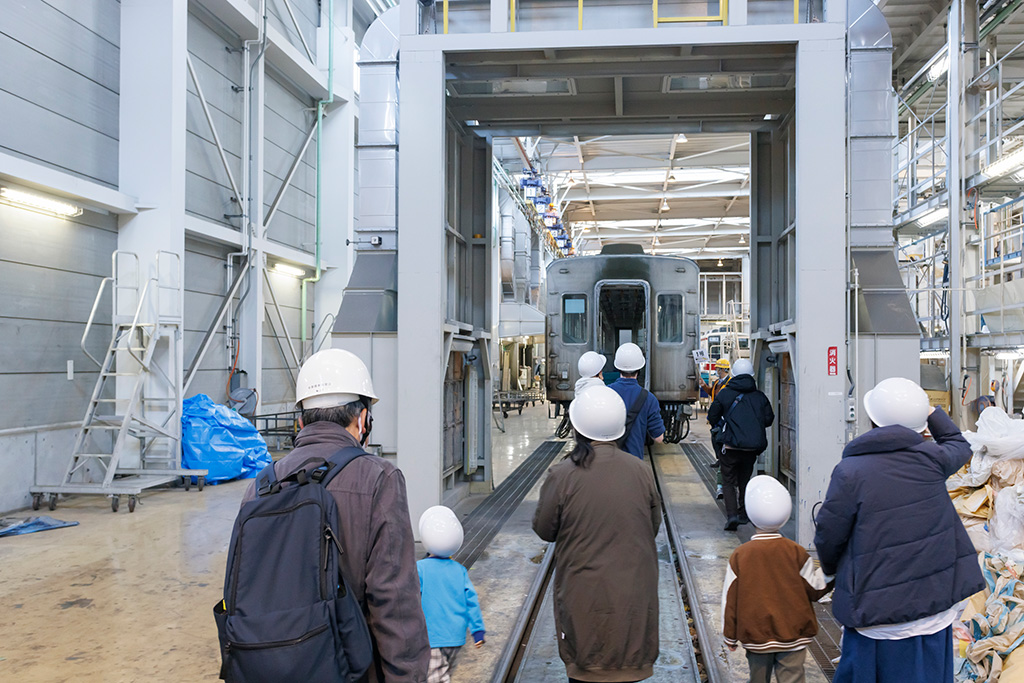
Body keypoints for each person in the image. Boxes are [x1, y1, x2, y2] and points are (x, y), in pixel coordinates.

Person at [241, 348, 430, 683]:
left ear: (300, 421)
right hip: (349, 669)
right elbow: (394, 602)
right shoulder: (378, 479)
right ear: (362, 419)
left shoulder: (260, 486)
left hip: (268, 667)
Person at [813, 377, 984, 683]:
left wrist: (830, 571)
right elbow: (959, 444)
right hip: (934, 612)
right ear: (922, 428)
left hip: (876, 620)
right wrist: (930, 411)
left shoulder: (851, 472)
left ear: (871, 420)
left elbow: (829, 533)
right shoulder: (933, 460)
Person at [533, 386, 661, 683]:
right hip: (633, 598)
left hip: (583, 596)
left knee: (586, 667)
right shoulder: (641, 471)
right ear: (619, 430)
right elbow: (651, 528)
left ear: (576, 427)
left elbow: (544, 530)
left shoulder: (562, 474)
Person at [722, 475, 833, 683]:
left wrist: (730, 635)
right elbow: (816, 587)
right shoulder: (797, 552)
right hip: (793, 634)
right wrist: (832, 571)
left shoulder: (740, 555)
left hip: (756, 635)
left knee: (757, 679)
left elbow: (730, 599)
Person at [417, 506, 485, 683]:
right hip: (456, 637)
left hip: (432, 638)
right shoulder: (460, 570)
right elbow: (472, 602)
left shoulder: (420, 569)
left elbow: (411, 601)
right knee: (444, 674)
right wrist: (477, 630)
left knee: (435, 678)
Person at [707, 358, 774, 531]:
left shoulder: (724, 394)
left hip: (729, 447)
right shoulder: (760, 397)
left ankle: (732, 517)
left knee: (728, 481)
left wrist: (721, 427)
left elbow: (712, 416)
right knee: (745, 479)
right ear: (751, 375)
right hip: (751, 448)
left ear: (733, 374)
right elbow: (769, 419)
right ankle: (744, 514)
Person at [607, 342, 665, 459]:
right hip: (634, 463)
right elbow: (659, 438)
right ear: (640, 368)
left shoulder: (606, 393)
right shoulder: (649, 398)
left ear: (618, 367)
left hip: (608, 461)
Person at [700, 358, 733, 498]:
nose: (717, 371)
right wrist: (703, 386)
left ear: (723, 370)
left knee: (719, 439)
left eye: (718, 369)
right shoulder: (716, 383)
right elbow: (712, 394)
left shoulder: (729, 383)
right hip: (716, 416)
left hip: (722, 417)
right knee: (714, 439)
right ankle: (719, 458)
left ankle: (721, 460)